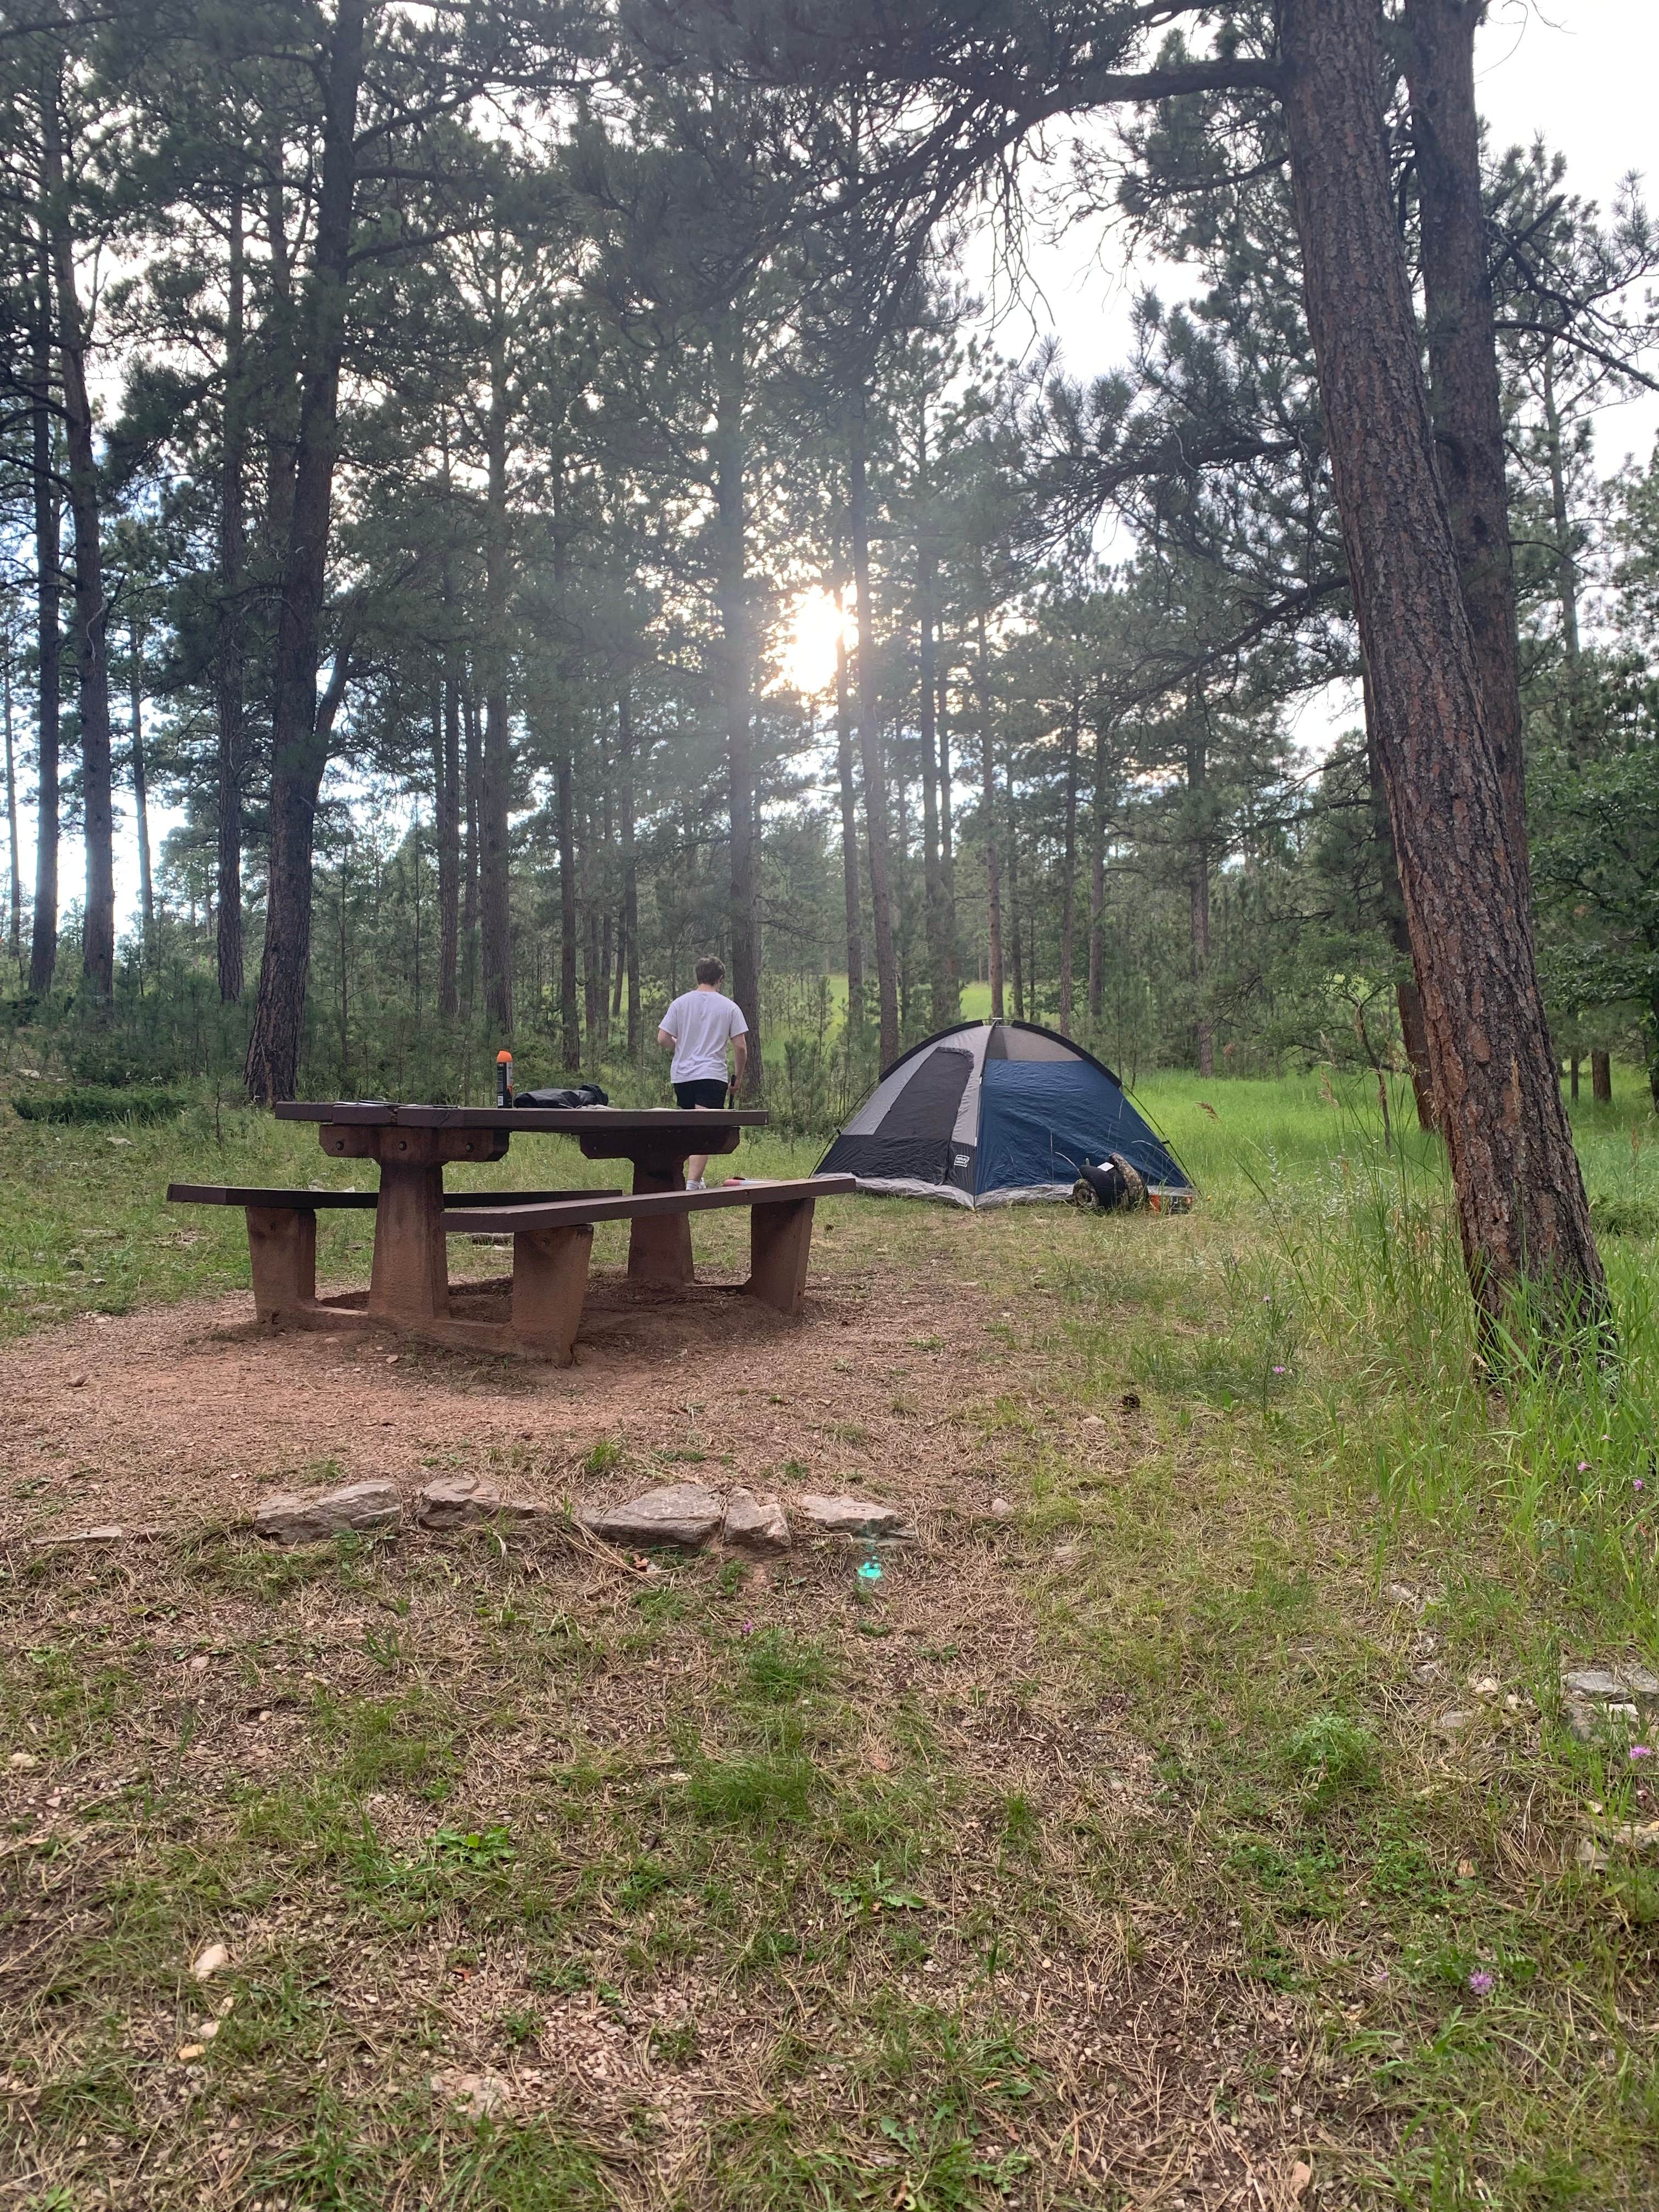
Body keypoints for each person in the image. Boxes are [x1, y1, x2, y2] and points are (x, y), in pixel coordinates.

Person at [657, 956, 749, 1189]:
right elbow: (740, 1046)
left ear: (697, 976)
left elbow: (663, 1038)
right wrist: (737, 1078)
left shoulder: (680, 1003)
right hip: (712, 1075)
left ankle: (685, 1178)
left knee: (689, 1128)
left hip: (683, 1076)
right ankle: (693, 1182)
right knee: (704, 1129)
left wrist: (682, 1046)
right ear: (721, 978)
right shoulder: (729, 1007)